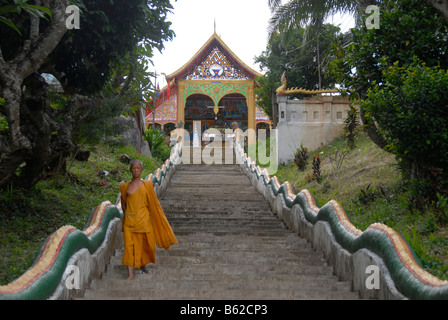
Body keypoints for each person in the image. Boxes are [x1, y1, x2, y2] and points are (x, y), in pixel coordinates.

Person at [119, 159, 178, 280]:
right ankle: (130, 274)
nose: (135, 170)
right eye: (133, 168)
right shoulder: (125, 187)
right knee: (129, 247)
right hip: (130, 222)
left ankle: (143, 266)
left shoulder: (147, 185)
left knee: (146, 245)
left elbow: (154, 205)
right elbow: (123, 204)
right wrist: (130, 215)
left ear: (142, 170)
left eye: (138, 168)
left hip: (143, 220)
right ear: (130, 170)